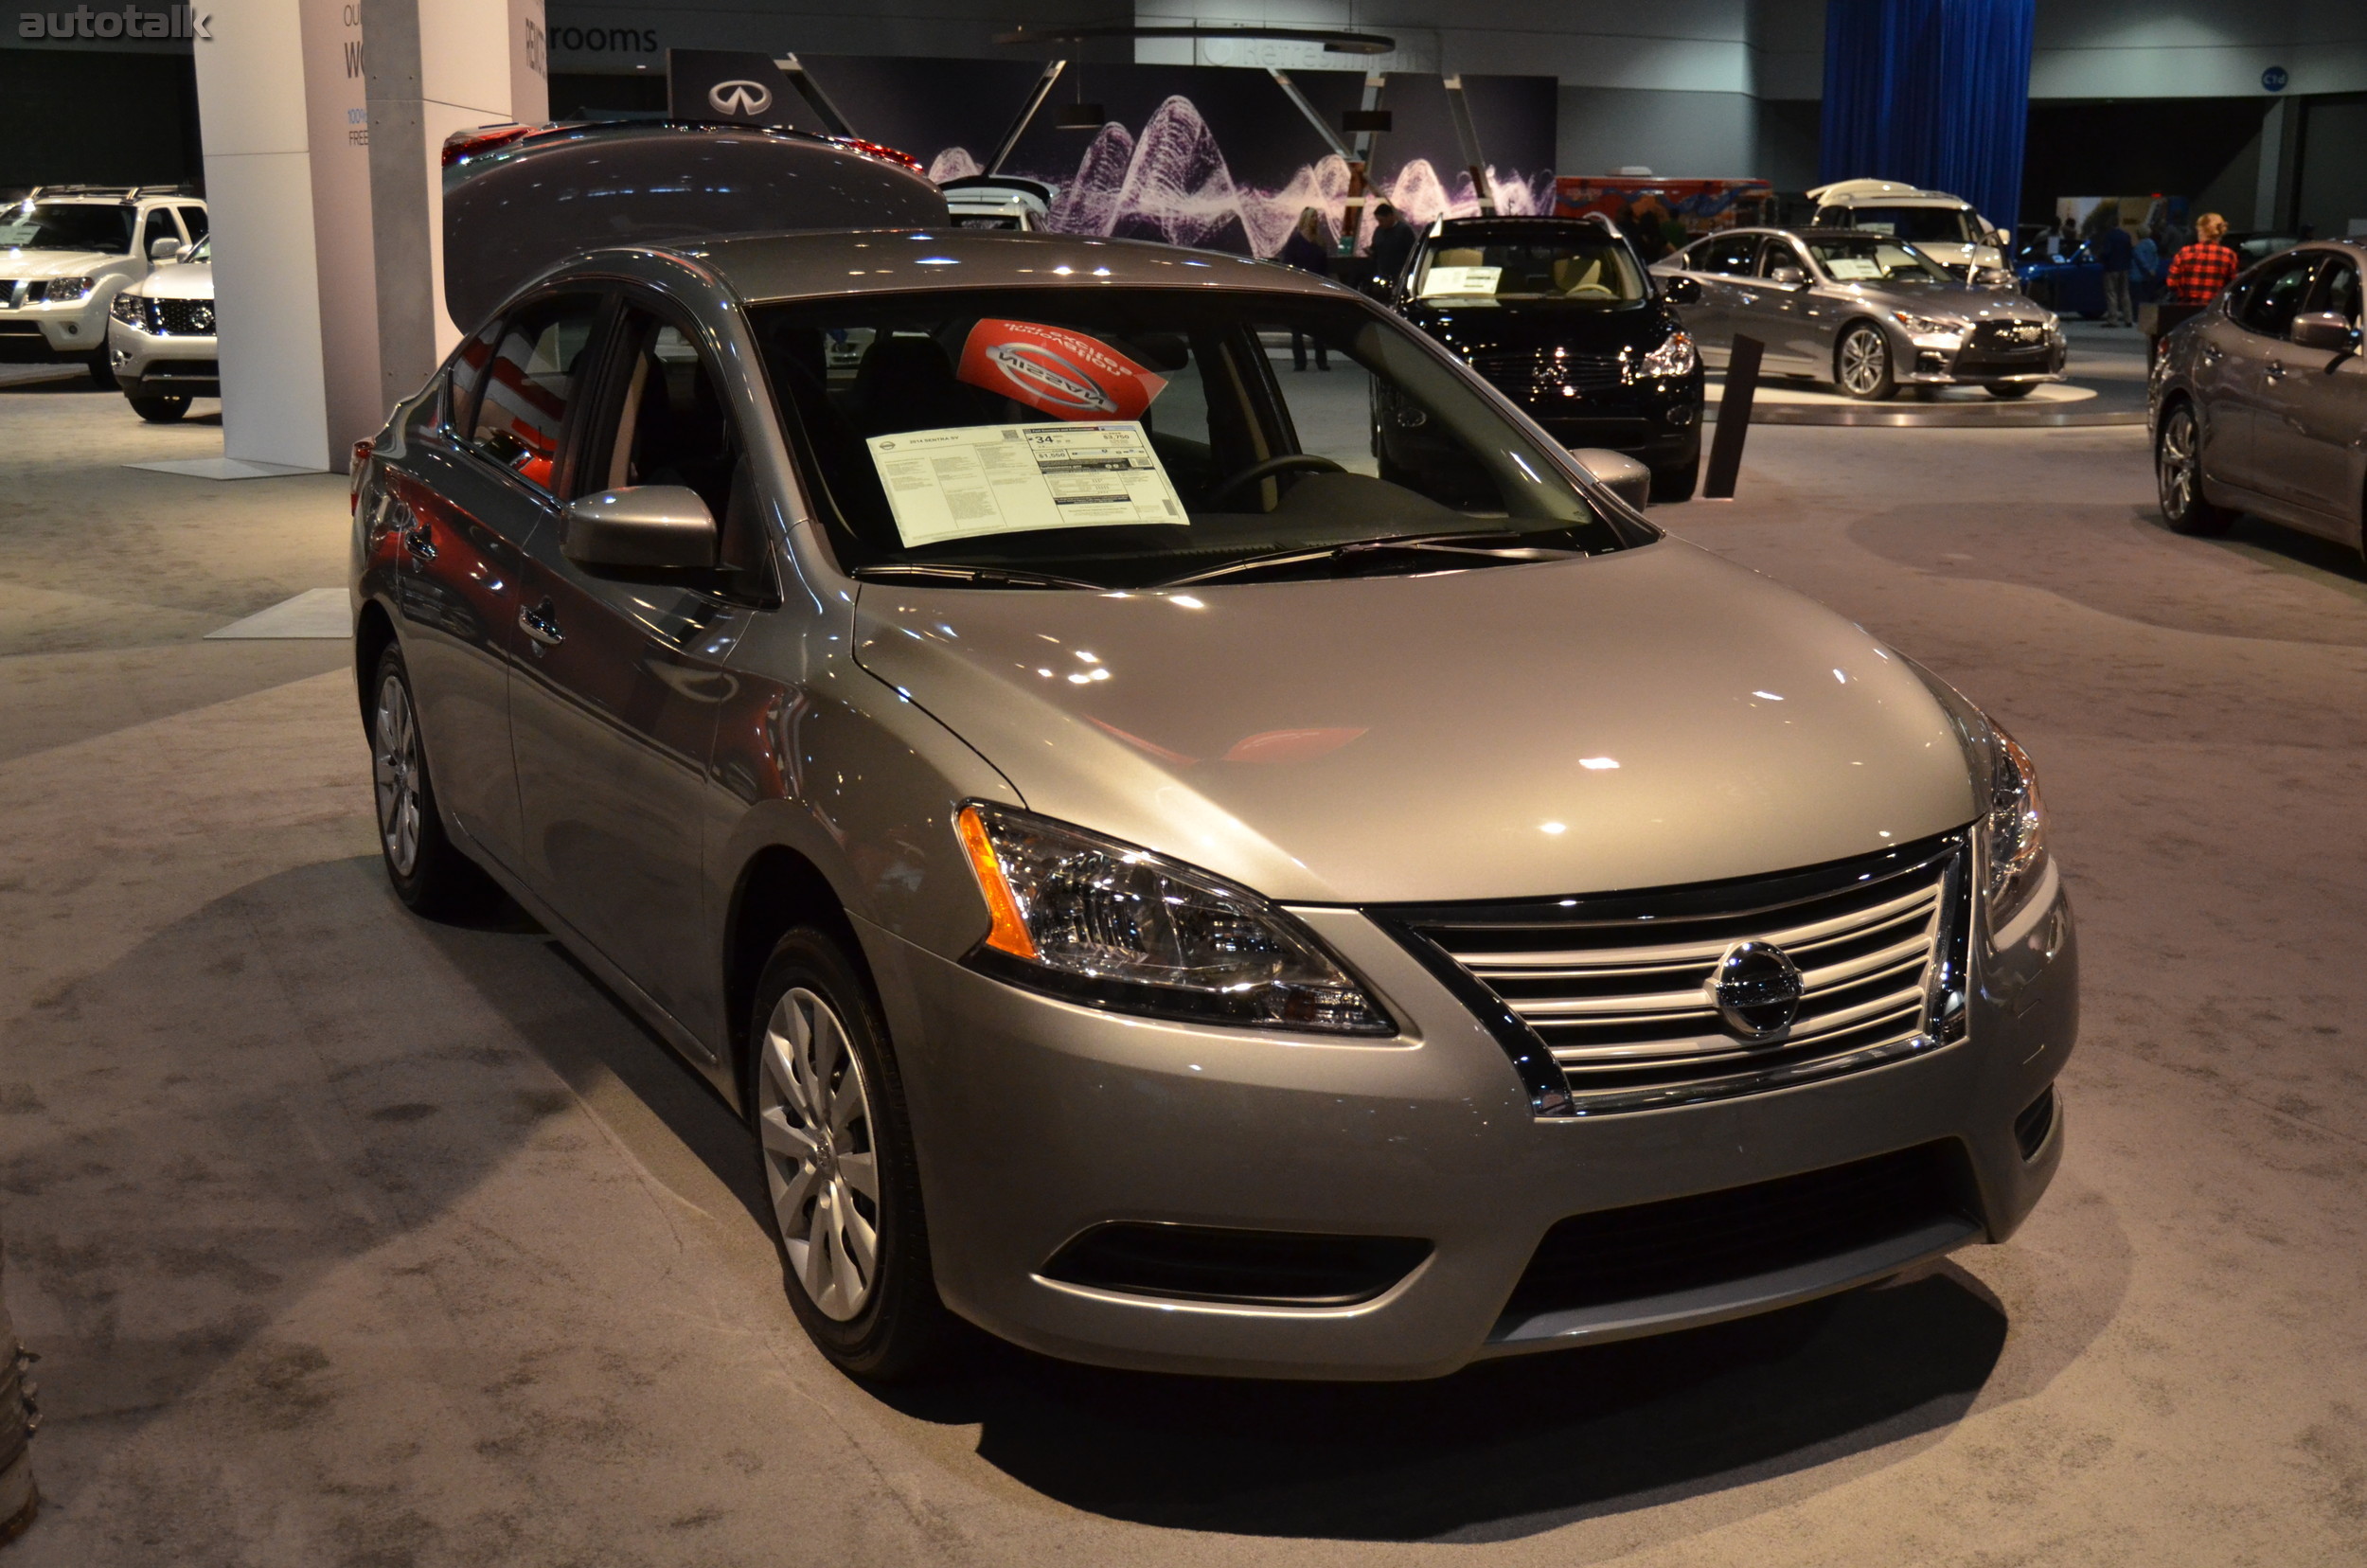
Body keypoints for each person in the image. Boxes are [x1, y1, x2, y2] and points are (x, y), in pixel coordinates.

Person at [1277, 206, 1331, 370]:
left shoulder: (1319, 241)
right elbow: (1287, 264)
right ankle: (1300, 363)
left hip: (1316, 288)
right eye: (1313, 216)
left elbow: (1324, 266)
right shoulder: (1295, 240)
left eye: (1317, 216)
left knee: (1318, 328)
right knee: (1297, 329)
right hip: (1299, 288)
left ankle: (1321, 361)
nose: (1316, 219)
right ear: (1306, 219)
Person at [2164, 212, 2240, 305]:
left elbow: (2172, 283)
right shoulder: (2229, 255)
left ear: (2201, 230)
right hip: (2214, 310)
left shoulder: (2185, 252)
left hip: (2186, 308)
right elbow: (2232, 286)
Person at [1365, 201, 1415, 294]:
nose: (1380, 223)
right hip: (1382, 273)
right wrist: (1370, 252)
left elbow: (1412, 252)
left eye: (1382, 220)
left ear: (1390, 216)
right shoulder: (1378, 231)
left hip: (1400, 273)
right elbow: (1375, 248)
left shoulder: (1404, 230)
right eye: (1378, 221)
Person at [2098, 220, 2135, 327]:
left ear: (2110, 224)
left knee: (2111, 293)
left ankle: (2113, 319)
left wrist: (2101, 258)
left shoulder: (2109, 236)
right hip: (2124, 267)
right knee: (2125, 293)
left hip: (2111, 268)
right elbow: (2130, 251)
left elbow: (2106, 252)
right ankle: (2128, 319)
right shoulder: (2126, 235)